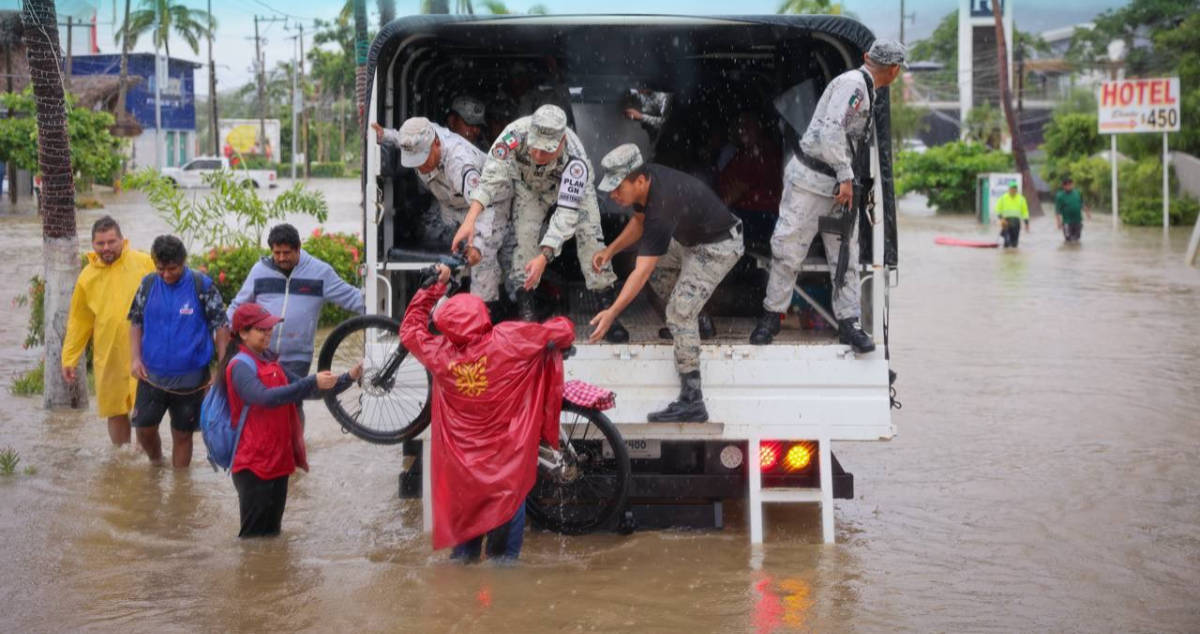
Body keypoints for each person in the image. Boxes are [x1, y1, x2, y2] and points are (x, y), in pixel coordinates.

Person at [400, 264, 574, 562]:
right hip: (505, 470)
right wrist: (549, 340)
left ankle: (460, 605)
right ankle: (499, 605)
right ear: (482, 316)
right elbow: (564, 330)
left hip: (462, 475)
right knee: (503, 564)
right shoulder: (510, 340)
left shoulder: (440, 354)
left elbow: (410, 330)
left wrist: (430, 289)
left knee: (462, 561)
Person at [749, 40, 909, 353]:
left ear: (867, 58)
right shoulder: (855, 86)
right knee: (788, 248)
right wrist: (846, 177)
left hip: (835, 185)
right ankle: (771, 316)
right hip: (813, 181)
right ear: (894, 70)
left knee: (844, 255)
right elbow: (831, 132)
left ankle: (849, 323)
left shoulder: (864, 86)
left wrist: (846, 179)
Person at [590, 144, 744, 422]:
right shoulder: (645, 183)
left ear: (638, 180)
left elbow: (641, 272)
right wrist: (610, 250)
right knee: (661, 267)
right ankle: (700, 325)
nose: (612, 196)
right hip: (693, 241)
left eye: (617, 188)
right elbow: (638, 223)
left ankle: (692, 400)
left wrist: (612, 313)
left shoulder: (663, 203)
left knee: (678, 313)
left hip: (719, 246)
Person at [452, 104, 628, 342]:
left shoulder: (576, 161)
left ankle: (608, 311)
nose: (537, 155)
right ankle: (528, 311)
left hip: (573, 194)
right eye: (535, 148)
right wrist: (470, 220)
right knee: (524, 241)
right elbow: (490, 180)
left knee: (590, 240)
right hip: (530, 187)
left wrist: (545, 257)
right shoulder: (513, 136)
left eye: (546, 151)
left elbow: (566, 214)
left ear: (562, 141)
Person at [221, 303, 360, 537]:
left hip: (278, 461)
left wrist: (351, 376)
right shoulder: (239, 366)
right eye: (261, 329)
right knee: (253, 540)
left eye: (270, 328)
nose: (269, 333)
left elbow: (310, 391)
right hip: (253, 464)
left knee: (272, 536)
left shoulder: (271, 362)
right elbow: (264, 398)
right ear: (243, 333)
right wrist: (311, 382)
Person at [371, 117, 514, 316]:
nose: (419, 167)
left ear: (436, 143)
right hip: (451, 203)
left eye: (423, 158)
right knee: (441, 246)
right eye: (414, 161)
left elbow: (482, 206)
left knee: (481, 258)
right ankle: (445, 306)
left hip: (489, 203)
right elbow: (403, 139)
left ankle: (484, 315)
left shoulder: (460, 162)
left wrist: (477, 245)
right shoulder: (424, 135)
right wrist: (384, 135)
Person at [128, 235, 230, 467]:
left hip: (192, 379)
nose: (166, 275)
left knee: (183, 434)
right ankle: (157, 463)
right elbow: (135, 322)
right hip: (151, 376)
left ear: (183, 261)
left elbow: (221, 327)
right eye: (160, 269)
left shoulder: (201, 286)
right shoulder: (148, 285)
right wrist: (135, 359)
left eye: (172, 268)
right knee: (143, 428)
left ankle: (180, 486)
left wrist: (222, 368)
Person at [227, 223, 365, 382]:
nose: (281, 258)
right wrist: (227, 336)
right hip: (260, 351)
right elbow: (237, 306)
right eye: (276, 253)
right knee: (264, 402)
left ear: (298, 248)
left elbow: (352, 298)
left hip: (297, 356)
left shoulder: (320, 272)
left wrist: (385, 311)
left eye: (286, 253)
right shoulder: (259, 271)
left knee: (292, 400)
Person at [62, 216, 156, 446]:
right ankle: (121, 460)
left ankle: (148, 461)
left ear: (122, 240)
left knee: (143, 412)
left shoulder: (144, 263)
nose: (106, 248)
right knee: (115, 410)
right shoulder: (87, 277)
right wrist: (70, 358)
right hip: (109, 355)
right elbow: (79, 321)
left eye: (111, 242)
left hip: (144, 351)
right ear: (93, 244)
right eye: (100, 243)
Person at [1055, 177, 1090, 243]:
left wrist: (1087, 212)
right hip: (1067, 222)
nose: (1068, 186)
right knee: (1068, 240)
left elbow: (1081, 203)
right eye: (1066, 185)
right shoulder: (1060, 196)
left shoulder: (1078, 193)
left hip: (1078, 220)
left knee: (1077, 239)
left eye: (1070, 184)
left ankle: (1076, 252)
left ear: (1072, 184)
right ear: (1063, 186)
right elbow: (1057, 211)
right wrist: (1058, 222)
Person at [996, 182, 1030, 248]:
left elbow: (1025, 212)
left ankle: (1013, 254)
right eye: (1011, 188)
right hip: (1006, 222)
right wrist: (1001, 219)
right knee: (1007, 241)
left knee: (1015, 243)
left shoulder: (1021, 199)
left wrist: (1026, 223)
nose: (1013, 190)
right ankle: (1006, 255)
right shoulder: (1003, 198)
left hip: (1016, 223)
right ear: (1009, 189)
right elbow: (998, 210)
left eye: (1014, 188)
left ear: (1016, 190)